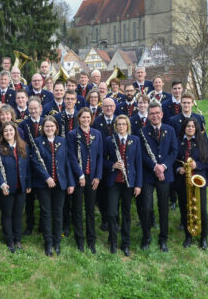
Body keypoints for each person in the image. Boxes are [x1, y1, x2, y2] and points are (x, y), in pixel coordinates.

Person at [138, 102, 178, 252]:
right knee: (146, 207)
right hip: (148, 175)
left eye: (157, 113)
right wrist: (154, 167)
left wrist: (163, 166)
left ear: (161, 114)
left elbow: (174, 151)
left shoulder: (170, 130)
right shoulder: (142, 131)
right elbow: (141, 154)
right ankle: (146, 237)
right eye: (152, 113)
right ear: (148, 116)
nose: (155, 116)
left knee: (163, 208)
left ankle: (163, 239)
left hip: (165, 175)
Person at [32, 116, 74, 256]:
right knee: (46, 213)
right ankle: (48, 243)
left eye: (52, 126)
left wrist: (70, 182)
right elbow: (36, 163)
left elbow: (67, 163)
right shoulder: (38, 142)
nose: (49, 129)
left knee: (58, 213)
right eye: (47, 127)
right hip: (44, 185)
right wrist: (47, 177)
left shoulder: (62, 141)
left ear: (56, 127)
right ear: (43, 129)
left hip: (60, 183)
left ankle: (57, 242)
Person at [104, 114, 142, 256]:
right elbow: (103, 160)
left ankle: (125, 243)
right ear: (115, 126)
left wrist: (138, 185)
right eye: (118, 124)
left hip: (129, 183)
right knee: (112, 213)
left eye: (123, 124)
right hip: (114, 182)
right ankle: (113, 242)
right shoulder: (110, 140)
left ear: (128, 126)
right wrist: (113, 165)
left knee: (126, 214)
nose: (121, 127)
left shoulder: (135, 140)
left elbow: (138, 163)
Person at [66, 108, 103, 253]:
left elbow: (100, 156)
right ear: (78, 119)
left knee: (90, 210)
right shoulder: (72, 134)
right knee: (77, 210)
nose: (86, 120)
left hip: (92, 177)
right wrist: (80, 175)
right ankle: (79, 240)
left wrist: (98, 176)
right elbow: (71, 157)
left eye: (88, 117)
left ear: (91, 119)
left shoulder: (97, 134)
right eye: (83, 117)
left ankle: (91, 240)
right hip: (78, 177)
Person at [0, 121, 30, 253]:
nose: (9, 133)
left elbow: (27, 166)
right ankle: (9, 240)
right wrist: (2, 184)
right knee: (7, 214)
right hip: (6, 186)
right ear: (2, 133)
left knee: (18, 214)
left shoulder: (23, 146)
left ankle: (17, 239)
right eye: (6, 131)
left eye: (11, 130)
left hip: (21, 186)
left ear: (15, 132)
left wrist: (28, 183)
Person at [175, 117, 208, 250]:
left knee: (202, 210)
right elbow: (173, 160)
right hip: (183, 181)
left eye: (193, 126)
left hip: (198, 180)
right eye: (188, 126)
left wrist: (198, 165)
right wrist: (179, 169)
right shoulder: (178, 142)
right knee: (185, 209)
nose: (190, 128)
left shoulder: (202, 142)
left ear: (196, 128)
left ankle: (204, 237)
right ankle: (188, 235)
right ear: (184, 128)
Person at [19, 96, 44, 236]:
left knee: (42, 198)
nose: (33, 111)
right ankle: (29, 225)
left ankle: (41, 225)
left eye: (36, 108)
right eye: (31, 109)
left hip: (42, 165)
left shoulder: (46, 122)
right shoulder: (23, 125)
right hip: (29, 165)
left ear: (40, 108)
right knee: (29, 198)